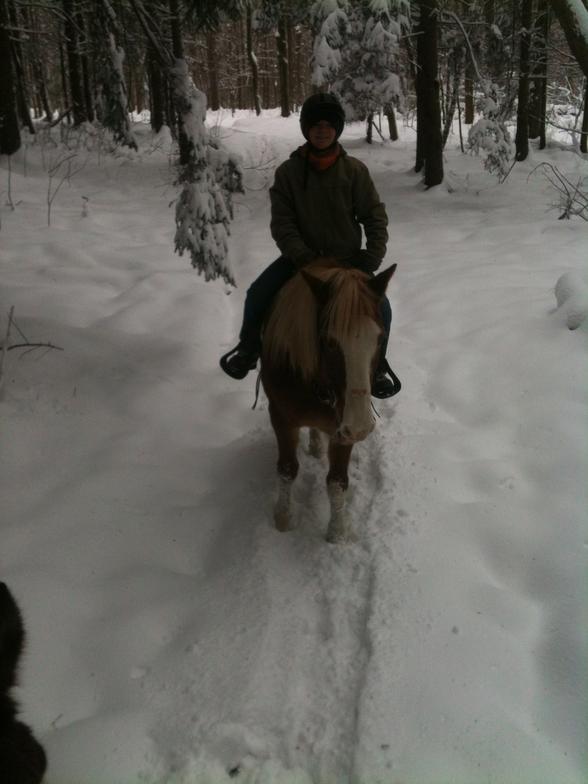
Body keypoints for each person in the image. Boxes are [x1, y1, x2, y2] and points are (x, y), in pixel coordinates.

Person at [220, 92, 399, 398]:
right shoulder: (288, 173)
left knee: (382, 308)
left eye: (329, 124)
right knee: (258, 294)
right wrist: (302, 257)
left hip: (348, 262)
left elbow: (374, 217)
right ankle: (249, 349)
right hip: (300, 262)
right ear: (305, 128)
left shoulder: (354, 171)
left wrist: (370, 259)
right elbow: (283, 223)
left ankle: (378, 364)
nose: (321, 129)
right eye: (315, 124)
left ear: (337, 129)